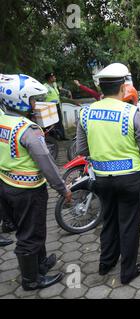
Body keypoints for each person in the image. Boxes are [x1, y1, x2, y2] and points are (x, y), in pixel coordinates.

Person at [76, 63, 140, 285]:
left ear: (101, 88)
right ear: (123, 87)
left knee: (108, 219)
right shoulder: (132, 112)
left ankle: (105, 263)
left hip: (101, 177)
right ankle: (127, 271)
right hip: (129, 178)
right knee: (129, 223)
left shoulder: (86, 112)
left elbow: (82, 150)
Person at [0, 74, 72, 290]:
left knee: (31, 228)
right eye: (32, 99)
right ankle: (31, 280)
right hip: (28, 190)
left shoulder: (3, 121)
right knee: (30, 233)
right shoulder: (27, 129)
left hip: (6, 184)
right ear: (21, 100)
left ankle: (40, 263)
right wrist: (62, 188)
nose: (35, 103)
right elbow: (47, 164)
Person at [44, 72, 75, 140]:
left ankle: (62, 136)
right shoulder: (45, 87)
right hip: (50, 106)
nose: (55, 78)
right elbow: (43, 97)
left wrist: (67, 91)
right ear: (49, 78)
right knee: (52, 122)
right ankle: (55, 137)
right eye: (53, 77)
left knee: (59, 121)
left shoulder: (54, 84)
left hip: (57, 105)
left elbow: (60, 88)